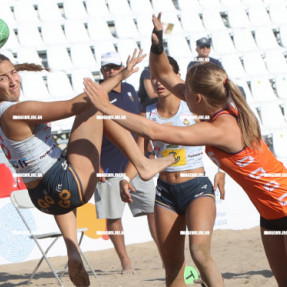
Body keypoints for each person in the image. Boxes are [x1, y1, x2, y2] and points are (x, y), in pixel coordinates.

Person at [83, 14, 287, 287]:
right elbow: (165, 74)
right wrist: (158, 44)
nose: (180, 93)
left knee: (200, 254)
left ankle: (146, 165)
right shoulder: (216, 105)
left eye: (186, 92)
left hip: (283, 205)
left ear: (197, 98)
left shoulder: (220, 128)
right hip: (270, 213)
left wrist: (107, 108)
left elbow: (154, 131)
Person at [0, 51, 175, 287]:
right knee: (97, 107)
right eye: (3, 77)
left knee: (58, 178)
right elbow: (76, 104)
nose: (13, 80)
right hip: (68, 183)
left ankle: (73, 252)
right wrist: (121, 75)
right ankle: (142, 163)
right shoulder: (16, 111)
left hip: (42, 197)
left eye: (13, 72)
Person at [120, 55, 225, 286]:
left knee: (199, 253)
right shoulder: (147, 115)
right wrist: (125, 179)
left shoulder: (195, 108)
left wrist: (221, 171)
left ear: (176, 77)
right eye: (153, 78)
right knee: (172, 266)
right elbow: (139, 156)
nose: (158, 82)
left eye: (162, 77)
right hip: (165, 193)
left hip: (196, 186)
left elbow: (221, 140)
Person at [95, 51, 158, 274]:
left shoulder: (131, 90)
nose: (110, 71)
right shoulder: (97, 93)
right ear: (101, 70)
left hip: (136, 164)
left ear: (122, 67)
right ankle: (125, 262)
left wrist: (146, 147)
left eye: (114, 66)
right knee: (113, 216)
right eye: (106, 68)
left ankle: (164, 251)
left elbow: (139, 123)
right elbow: (89, 130)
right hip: (108, 165)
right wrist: (96, 165)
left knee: (154, 209)